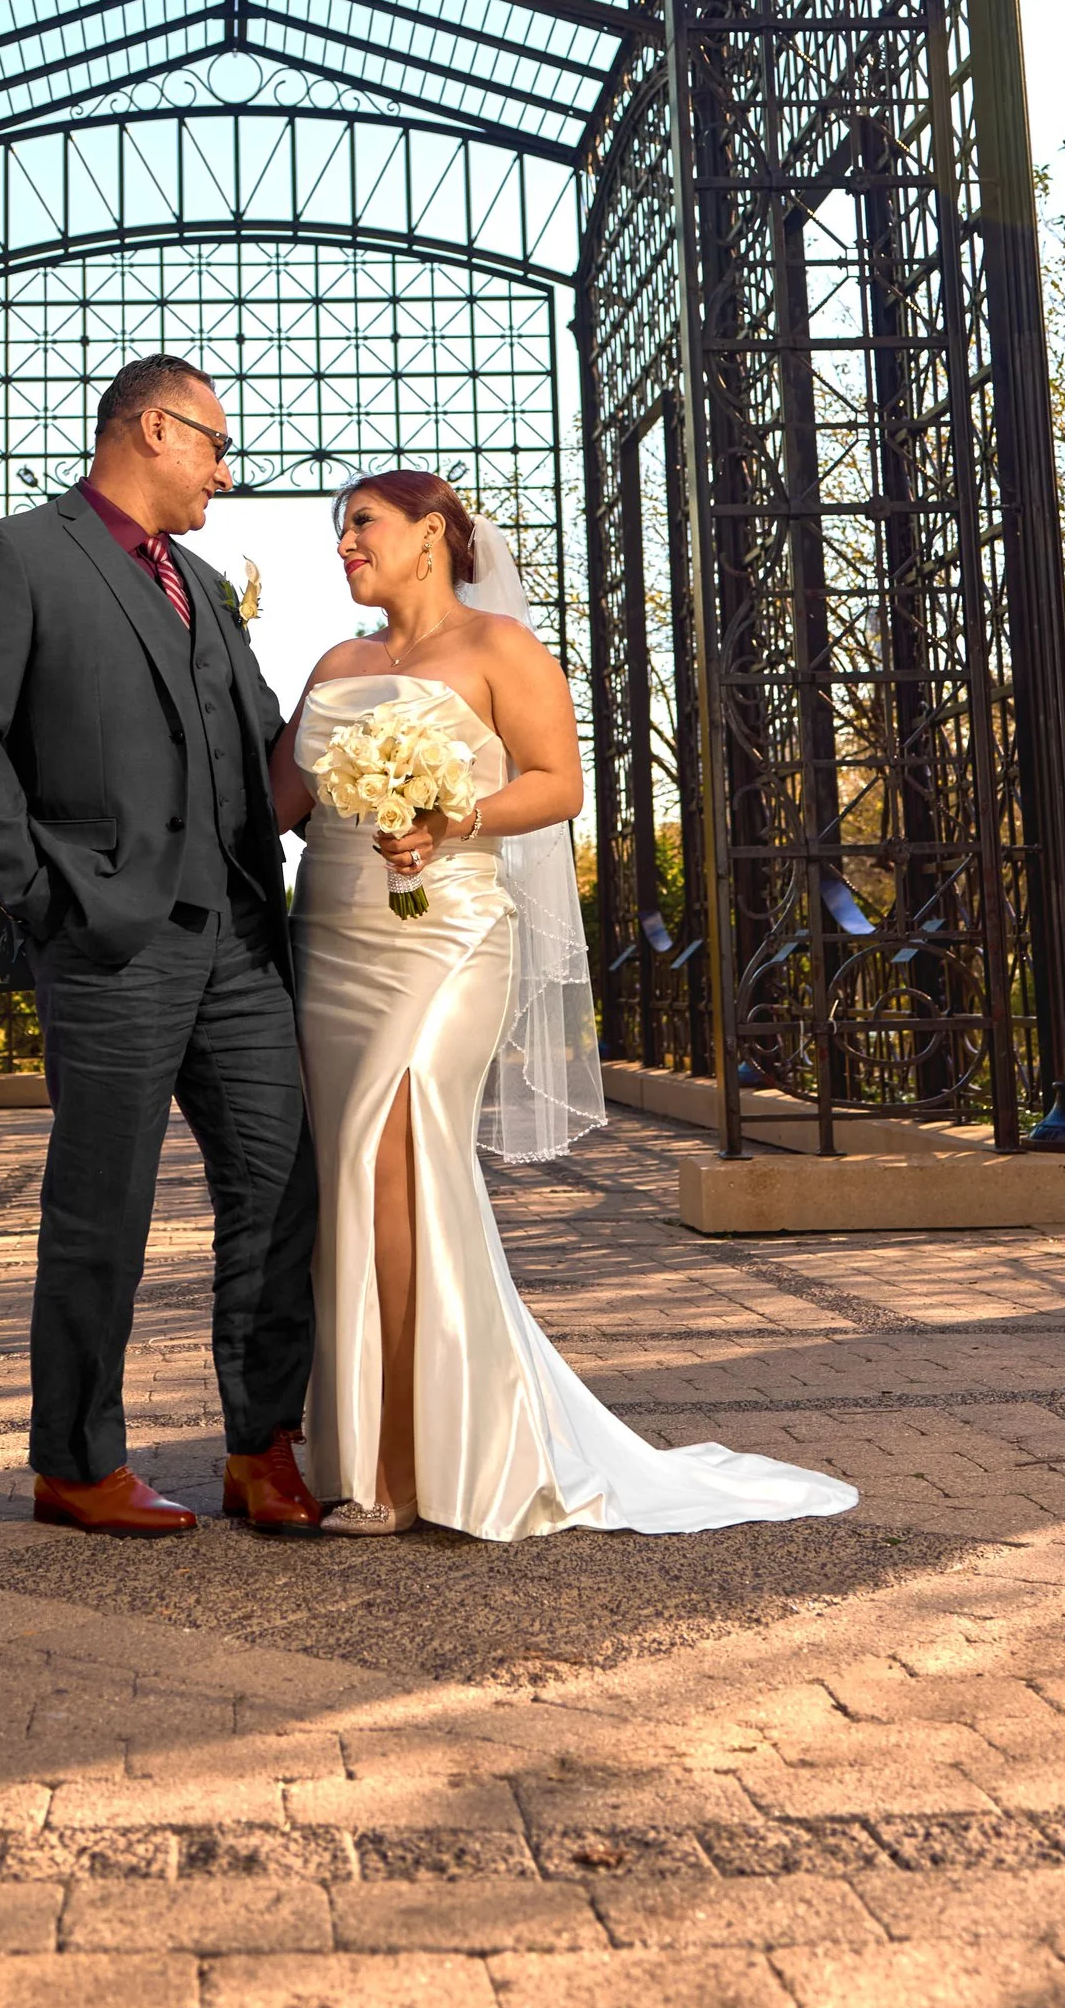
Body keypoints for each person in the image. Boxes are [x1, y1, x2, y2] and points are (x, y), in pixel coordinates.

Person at [271, 470, 859, 1543]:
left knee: (396, 1159)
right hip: (333, 943)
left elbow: (556, 784)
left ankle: (405, 1466)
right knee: (348, 1182)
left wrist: (452, 818)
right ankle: (374, 1441)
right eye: (339, 529)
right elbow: (279, 802)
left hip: (445, 939)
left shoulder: (500, 649)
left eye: (360, 524)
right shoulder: (335, 664)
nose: (343, 544)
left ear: (431, 534)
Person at [0, 355, 322, 1538]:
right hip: (109, 943)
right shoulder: (17, 553)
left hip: (243, 940)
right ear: (152, 427)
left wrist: (372, 693)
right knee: (107, 1202)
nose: (223, 471)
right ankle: (77, 1461)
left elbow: (258, 755)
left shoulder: (205, 583)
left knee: (278, 1185)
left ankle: (262, 1447)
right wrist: (44, 891)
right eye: (212, 444)